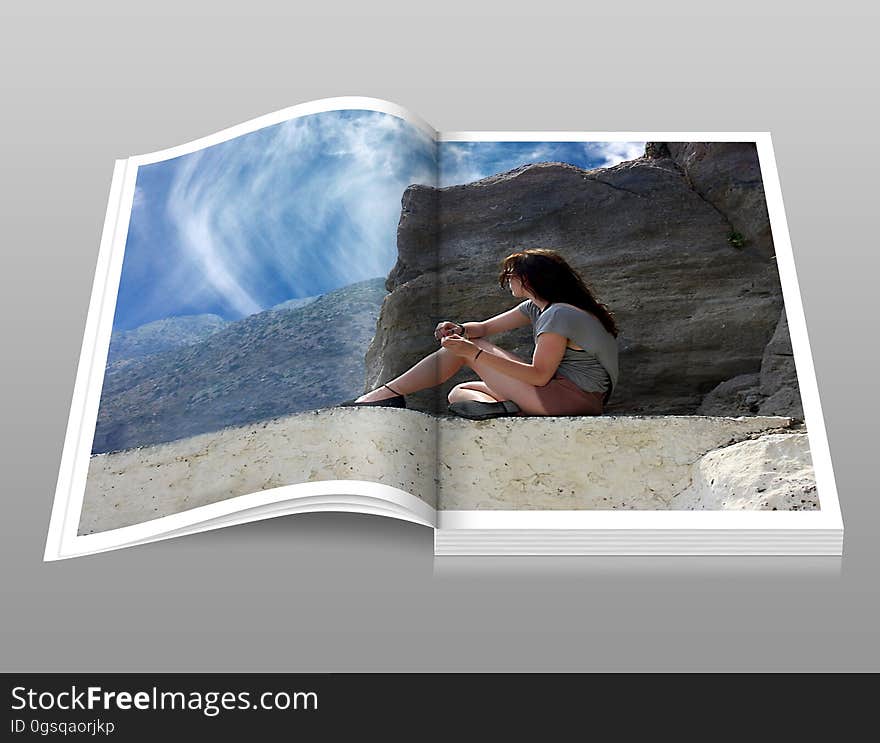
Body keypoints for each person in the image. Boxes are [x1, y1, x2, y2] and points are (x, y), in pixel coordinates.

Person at [345, 248, 619, 420]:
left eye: (510, 276)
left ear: (529, 279)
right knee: (460, 392)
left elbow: (539, 375)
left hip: (570, 399)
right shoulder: (538, 308)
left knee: (465, 348)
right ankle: (512, 409)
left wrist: (472, 353)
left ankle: (385, 396)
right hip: (565, 398)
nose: (507, 281)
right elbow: (486, 328)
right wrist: (460, 329)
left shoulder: (559, 314)